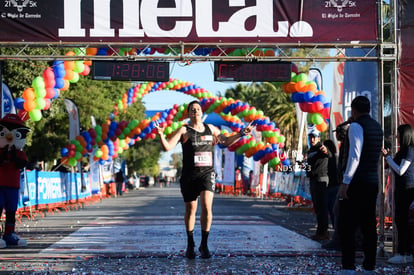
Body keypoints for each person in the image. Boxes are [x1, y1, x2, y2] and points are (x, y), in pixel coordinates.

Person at [155, 100, 254, 259]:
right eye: (192, 110)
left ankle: (205, 244)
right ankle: (190, 243)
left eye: (198, 109)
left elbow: (226, 142)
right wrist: (160, 134)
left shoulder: (211, 129)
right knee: (190, 209)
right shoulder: (183, 130)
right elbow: (167, 147)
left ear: (202, 112)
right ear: (188, 114)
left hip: (207, 174)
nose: (195, 112)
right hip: (189, 175)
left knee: (207, 207)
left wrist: (241, 133)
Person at [337, 96, 383, 274]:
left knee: (347, 225)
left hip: (356, 183)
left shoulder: (356, 126)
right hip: (372, 182)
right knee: (369, 225)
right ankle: (369, 266)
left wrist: (345, 182)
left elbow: (355, 156)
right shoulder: (377, 127)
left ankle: (348, 266)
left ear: (353, 110)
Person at [382, 124, 414, 264]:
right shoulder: (404, 151)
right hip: (401, 189)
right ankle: (403, 251)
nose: (397, 137)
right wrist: (388, 158)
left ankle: (404, 253)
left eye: (399, 134)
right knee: (400, 221)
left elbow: (401, 170)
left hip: (407, 189)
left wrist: (388, 158)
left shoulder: (409, 151)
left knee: (403, 221)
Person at [0, 114, 30, 247]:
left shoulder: (19, 152)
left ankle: (9, 233)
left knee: (11, 210)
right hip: (0, 184)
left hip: (13, 185)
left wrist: (13, 156)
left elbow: (22, 163)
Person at [306, 129, 331, 241]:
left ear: (319, 138)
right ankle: (320, 231)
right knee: (317, 207)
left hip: (321, 180)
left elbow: (328, 153)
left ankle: (324, 232)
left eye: (314, 137)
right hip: (313, 180)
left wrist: (326, 150)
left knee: (322, 208)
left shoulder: (321, 148)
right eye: (310, 137)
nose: (312, 139)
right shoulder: (310, 150)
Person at [324, 139, 340, 229]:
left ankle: (336, 230)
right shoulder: (335, 156)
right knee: (334, 210)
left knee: (332, 210)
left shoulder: (329, 157)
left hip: (331, 186)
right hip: (336, 185)